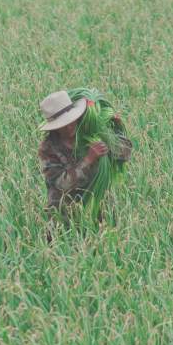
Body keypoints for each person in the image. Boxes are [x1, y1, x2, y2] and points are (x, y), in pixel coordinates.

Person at [37, 90, 132, 239]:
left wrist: (116, 132)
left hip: (101, 210)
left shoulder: (91, 132)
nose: (69, 127)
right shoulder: (48, 149)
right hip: (66, 217)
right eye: (63, 124)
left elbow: (124, 155)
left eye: (71, 121)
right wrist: (88, 159)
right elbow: (61, 185)